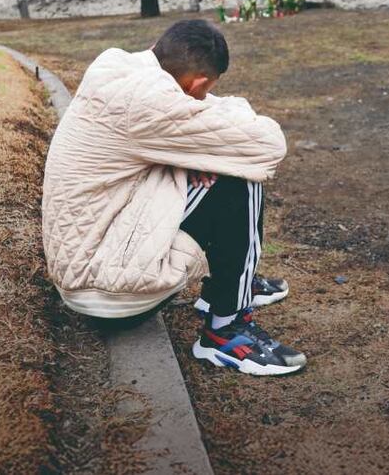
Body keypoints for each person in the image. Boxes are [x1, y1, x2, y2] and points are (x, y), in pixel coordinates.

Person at [42, 19, 305, 376]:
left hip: (88, 263)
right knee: (237, 176)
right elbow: (269, 144)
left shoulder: (115, 65)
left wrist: (192, 152)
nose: (203, 99)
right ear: (197, 84)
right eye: (204, 92)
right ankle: (225, 329)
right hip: (107, 291)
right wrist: (214, 128)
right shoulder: (152, 101)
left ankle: (228, 284)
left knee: (208, 158)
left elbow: (169, 127)